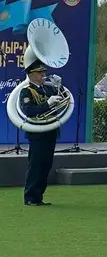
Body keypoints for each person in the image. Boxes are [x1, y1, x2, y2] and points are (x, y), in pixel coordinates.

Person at [20, 58, 63, 206]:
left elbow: (63, 101)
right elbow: (29, 111)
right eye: (39, 73)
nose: (43, 75)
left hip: (50, 131)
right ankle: (30, 196)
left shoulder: (48, 88)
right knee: (36, 165)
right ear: (31, 74)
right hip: (37, 134)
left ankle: (38, 196)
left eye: (43, 72)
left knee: (46, 165)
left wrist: (60, 87)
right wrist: (48, 103)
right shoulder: (26, 91)